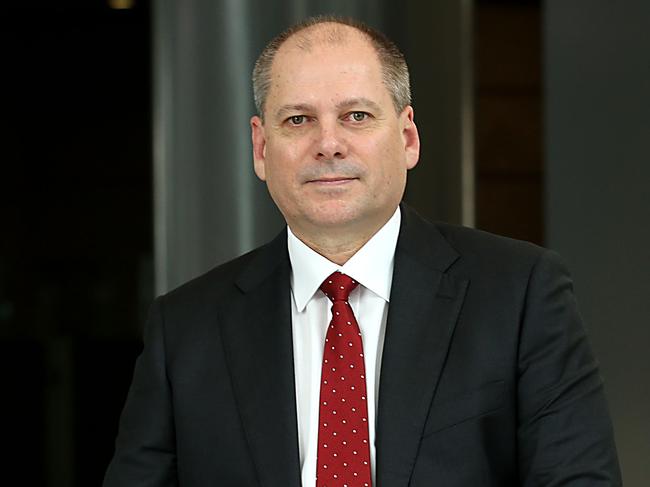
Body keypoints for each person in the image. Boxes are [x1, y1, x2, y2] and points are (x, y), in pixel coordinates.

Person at [103, 16, 621, 487]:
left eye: (355, 115)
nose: (328, 144)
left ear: (408, 137)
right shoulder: (185, 328)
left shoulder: (521, 293)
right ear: (261, 149)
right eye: (299, 120)